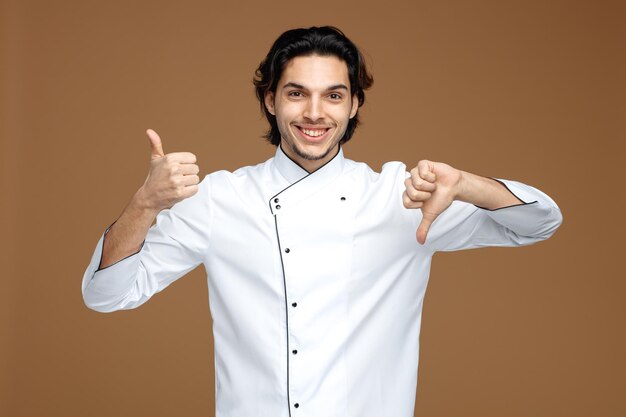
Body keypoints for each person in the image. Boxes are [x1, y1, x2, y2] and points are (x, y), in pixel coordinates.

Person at [82, 26, 562, 417]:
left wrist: (468, 185)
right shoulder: (220, 199)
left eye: (334, 96)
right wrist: (145, 203)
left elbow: (540, 222)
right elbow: (106, 294)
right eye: (297, 94)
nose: (315, 113)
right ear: (270, 100)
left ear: (354, 105)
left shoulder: (402, 197)